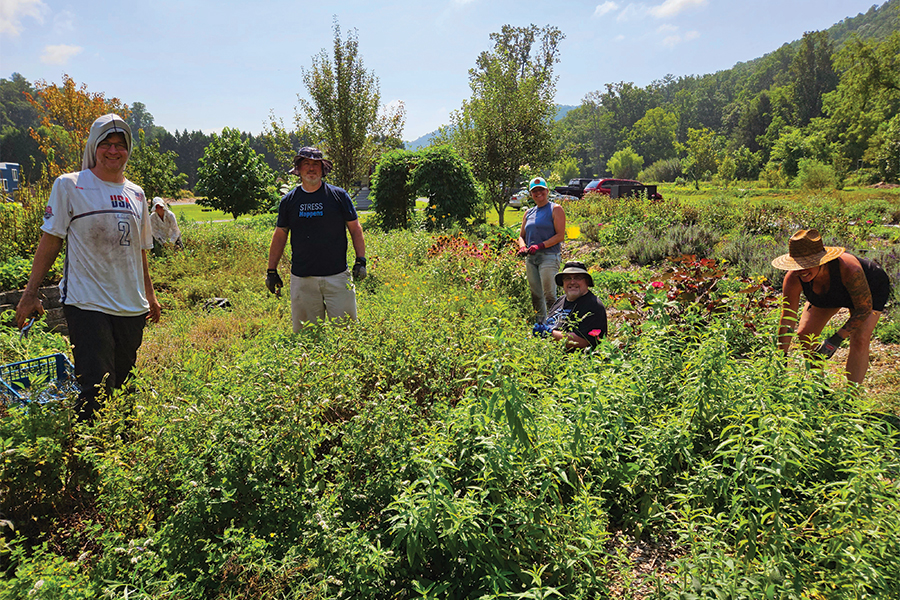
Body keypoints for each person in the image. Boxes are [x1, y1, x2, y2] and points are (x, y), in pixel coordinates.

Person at [15, 114, 161, 422]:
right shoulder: (70, 186)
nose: (113, 151)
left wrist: (150, 294)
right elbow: (51, 240)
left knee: (123, 379)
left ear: (128, 149)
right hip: (86, 301)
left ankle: (122, 441)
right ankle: (90, 450)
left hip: (131, 305)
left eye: (120, 145)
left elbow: (141, 250)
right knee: (95, 381)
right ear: (94, 147)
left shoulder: (137, 194)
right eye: (105, 144)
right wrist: (30, 293)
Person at [266, 146, 367, 331]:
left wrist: (361, 260)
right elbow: (280, 235)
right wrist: (271, 270)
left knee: (347, 334)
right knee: (307, 336)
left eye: (315, 164)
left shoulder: (339, 196)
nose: (311, 168)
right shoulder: (288, 201)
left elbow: (355, 229)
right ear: (298, 169)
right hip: (303, 280)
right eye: (306, 164)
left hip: (337, 277)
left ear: (322, 169)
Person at [772, 228, 891, 384]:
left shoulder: (849, 269)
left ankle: (851, 397)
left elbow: (863, 309)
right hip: (829, 291)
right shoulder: (794, 277)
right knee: (805, 334)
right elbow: (788, 318)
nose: (801, 270)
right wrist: (782, 357)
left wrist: (835, 340)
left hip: (870, 288)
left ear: (821, 260)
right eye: (797, 264)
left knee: (859, 339)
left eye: (807, 264)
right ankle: (819, 386)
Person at [517, 177, 566, 324]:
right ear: (531, 194)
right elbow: (521, 236)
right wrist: (522, 247)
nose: (538, 193)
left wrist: (540, 245)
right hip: (531, 258)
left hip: (549, 256)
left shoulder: (555, 209)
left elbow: (560, 235)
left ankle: (555, 326)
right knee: (536, 295)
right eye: (534, 191)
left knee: (549, 294)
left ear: (547, 191)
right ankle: (540, 325)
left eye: (541, 190)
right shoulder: (528, 213)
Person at [544, 261, 608, 351]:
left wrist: (550, 334)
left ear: (587, 281)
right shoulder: (560, 301)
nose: (572, 282)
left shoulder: (593, 305)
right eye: (567, 278)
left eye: (578, 278)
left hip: (576, 361)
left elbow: (583, 341)